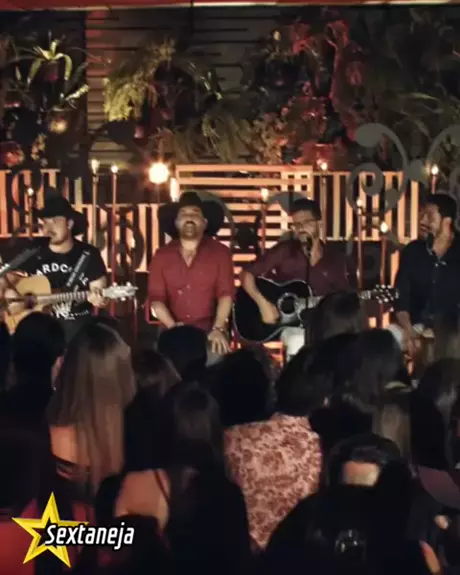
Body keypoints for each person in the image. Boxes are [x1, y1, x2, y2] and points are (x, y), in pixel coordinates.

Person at [240, 197, 349, 360]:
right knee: (297, 340)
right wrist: (263, 304)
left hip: (323, 326)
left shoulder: (335, 259)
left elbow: (343, 298)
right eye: (296, 224)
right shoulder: (284, 251)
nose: (301, 228)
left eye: (306, 222)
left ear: (319, 224)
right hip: (290, 324)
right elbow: (246, 274)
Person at [3, 192, 108, 343]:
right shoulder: (32, 251)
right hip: (39, 338)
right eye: (45, 222)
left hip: (78, 337)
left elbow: (100, 292)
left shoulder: (89, 254)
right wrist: (10, 292)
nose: (48, 228)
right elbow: (3, 275)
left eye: (55, 221)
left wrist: (100, 299)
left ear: (69, 224)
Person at [148, 191, 235, 360]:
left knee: (215, 361)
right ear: (176, 222)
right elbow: (156, 299)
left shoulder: (221, 253)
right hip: (171, 328)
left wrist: (218, 328)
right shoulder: (161, 256)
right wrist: (174, 328)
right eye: (183, 213)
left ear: (204, 222)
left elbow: (226, 294)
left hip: (210, 330)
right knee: (167, 367)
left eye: (195, 213)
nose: (189, 218)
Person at [389, 194, 460, 356]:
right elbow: (401, 296)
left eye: (429, 216)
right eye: (422, 214)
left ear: (447, 221)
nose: (422, 220)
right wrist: (408, 330)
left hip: (452, 332)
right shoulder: (413, 251)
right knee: (388, 339)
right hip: (414, 327)